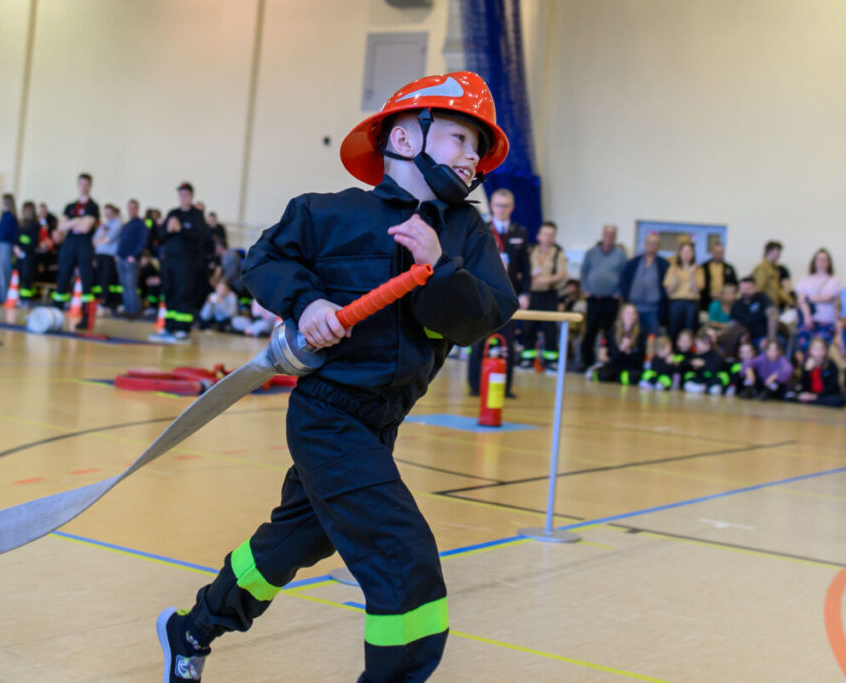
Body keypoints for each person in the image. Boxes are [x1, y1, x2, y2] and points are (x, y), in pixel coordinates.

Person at [156, 71, 517, 683]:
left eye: (477, 148)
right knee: (403, 559)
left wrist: (439, 266)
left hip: (382, 423)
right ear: (404, 138)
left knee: (295, 541)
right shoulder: (327, 214)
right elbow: (263, 259)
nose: (471, 157)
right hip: (327, 415)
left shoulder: (464, 233)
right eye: (460, 138)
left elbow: (486, 314)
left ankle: (192, 630)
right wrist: (307, 304)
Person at [467, 188, 529, 397]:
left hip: (508, 295)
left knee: (507, 344)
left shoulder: (520, 233)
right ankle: (475, 385)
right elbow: (471, 260)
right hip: (483, 293)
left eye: (505, 206)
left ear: (512, 207)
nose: (501, 209)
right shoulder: (481, 228)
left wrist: (526, 293)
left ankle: (505, 387)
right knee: (479, 341)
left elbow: (526, 267)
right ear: (492, 206)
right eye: (498, 205)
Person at [150, 183, 209, 343]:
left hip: (186, 262)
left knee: (183, 292)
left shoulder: (196, 215)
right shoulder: (173, 213)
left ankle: (183, 329)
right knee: (169, 291)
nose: (183, 198)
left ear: (191, 196)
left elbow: (199, 237)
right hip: (169, 260)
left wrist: (180, 228)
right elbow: (161, 236)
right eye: (181, 194)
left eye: (186, 195)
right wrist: (168, 229)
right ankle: (169, 327)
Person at [52, 173, 100, 328]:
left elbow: (85, 228)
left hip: (84, 246)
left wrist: (72, 223)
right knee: (62, 278)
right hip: (69, 244)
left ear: (90, 186)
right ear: (78, 185)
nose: (83, 187)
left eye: (86, 184)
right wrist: (78, 220)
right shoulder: (70, 206)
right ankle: (55, 315)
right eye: (81, 183)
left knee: (86, 281)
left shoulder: (93, 206)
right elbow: (61, 226)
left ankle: (86, 318)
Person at [579, 224, 627, 368]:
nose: (609, 237)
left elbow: (624, 275)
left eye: (612, 234)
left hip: (611, 300)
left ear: (615, 237)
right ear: (602, 235)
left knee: (610, 332)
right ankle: (586, 361)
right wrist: (585, 289)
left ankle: (608, 361)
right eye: (607, 233)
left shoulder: (620, 255)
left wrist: (619, 292)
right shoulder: (591, 253)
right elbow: (583, 272)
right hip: (593, 299)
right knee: (590, 330)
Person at [521, 221, 567, 369]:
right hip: (531, 295)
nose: (548, 237)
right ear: (539, 236)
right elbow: (522, 270)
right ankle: (528, 358)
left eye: (551, 235)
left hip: (549, 294)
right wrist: (530, 280)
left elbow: (562, 274)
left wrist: (545, 280)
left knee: (550, 328)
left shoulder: (558, 253)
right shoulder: (530, 251)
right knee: (528, 327)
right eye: (545, 234)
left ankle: (551, 360)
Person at [620, 232, 668, 341]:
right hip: (633, 308)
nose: (651, 246)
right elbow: (624, 281)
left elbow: (667, 286)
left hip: (653, 310)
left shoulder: (664, 265)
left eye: (654, 243)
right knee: (632, 337)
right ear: (644, 244)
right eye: (649, 243)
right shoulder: (633, 263)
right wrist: (626, 298)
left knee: (653, 338)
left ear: (658, 246)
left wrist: (662, 298)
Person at [795, 248, 842, 353]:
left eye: (824, 260)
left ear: (828, 262)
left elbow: (830, 297)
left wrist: (808, 298)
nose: (821, 262)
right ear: (814, 262)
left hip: (826, 320)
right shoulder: (805, 279)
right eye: (819, 259)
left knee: (823, 351)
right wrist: (807, 315)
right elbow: (801, 298)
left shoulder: (834, 280)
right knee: (807, 350)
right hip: (808, 321)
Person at [591, 302, 644, 385]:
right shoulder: (612, 332)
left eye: (633, 313)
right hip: (615, 365)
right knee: (603, 375)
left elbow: (640, 359)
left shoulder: (641, 334)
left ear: (636, 316)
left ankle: (619, 378)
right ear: (622, 315)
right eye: (627, 313)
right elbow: (608, 357)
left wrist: (629, 350)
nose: (630, 316)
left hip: (631, 367)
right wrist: (622, 348)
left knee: (633, 377)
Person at [663, 241, 704, 341]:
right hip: (675, 303)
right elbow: (669, 292)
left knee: (690, 331)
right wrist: (676, 277)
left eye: (689, 252)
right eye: (684, 252)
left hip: (691, 304)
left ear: (693, 254)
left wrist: (691, 274)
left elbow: (696, 291)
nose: (686, 254)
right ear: (680, 253)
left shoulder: (698, 269)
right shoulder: (672, 268)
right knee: (673, 330)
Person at [787, 336, 844, 407]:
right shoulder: (806, 364)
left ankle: (812, 402)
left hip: (824, 396)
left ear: (826, 351)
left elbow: (833, 387)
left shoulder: (831, 365)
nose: (819, 352)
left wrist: (816, 396)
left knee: (837, 400)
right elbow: (803, 386)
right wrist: (807, 371)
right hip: (810, 394)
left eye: (822, 348)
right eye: (816, 349)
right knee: (789, 396)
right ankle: (812, 402)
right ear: (810, 351)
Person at [116, 199, 148, 318]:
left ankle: (134, 310)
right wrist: (117, 254)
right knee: (124, 285)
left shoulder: (140, 224)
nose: (131, 210)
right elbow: (121, 240)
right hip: (121, 258)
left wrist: (134, 255)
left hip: (131, 260)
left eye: (134, 207)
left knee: (131, 285)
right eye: (130, 208)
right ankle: (128, 308)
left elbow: (142, 241)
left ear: (137, 209)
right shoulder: (127, 224)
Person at [730, 277, 778, 348]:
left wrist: (770, 339)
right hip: (747, 338)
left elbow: (773, 316)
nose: (745, 291)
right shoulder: (736, 304)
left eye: (748, 288)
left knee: (771, 348)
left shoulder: (762, 298)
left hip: (764, 336)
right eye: (742, 288)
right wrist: (741, 334)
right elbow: (733, 323)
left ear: (755, 288)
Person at [0, 194, 19, 303]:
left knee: (3, 271)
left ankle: (4, 296)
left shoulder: (11, 217)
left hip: (6, 245)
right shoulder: (3, 216)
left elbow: (13, 234)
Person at [93, 203, 124, 312]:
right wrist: (102, 237)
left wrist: (101, 239)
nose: (108, 215)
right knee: (99, 280)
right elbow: (94, 241)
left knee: (107, 279)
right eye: (106, 213)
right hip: (99, 255)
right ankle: (100, 301)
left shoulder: (117, 223)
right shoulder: (104, 225)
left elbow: (109, 238)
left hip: (109, 256)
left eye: (110, 212)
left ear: (114, 212)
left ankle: (106, 303)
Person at [682, 330, 730, 395]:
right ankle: (702, 388)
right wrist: (692, 364)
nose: (697, 346)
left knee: (715, 389)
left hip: (712, 379)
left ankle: (706, 388)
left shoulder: (714, 355)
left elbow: (716, 368)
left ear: (707, 344)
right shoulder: (695, 354)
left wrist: (704, 364)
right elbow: (685, 363)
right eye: (696, 344)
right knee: (687, 385)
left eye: (699, 343)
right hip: (699, 379)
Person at [700, 242, 738, 312]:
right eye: (716, 252)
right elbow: (700, 284)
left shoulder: (729, 268)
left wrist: (724, 294)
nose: (718, 255)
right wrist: (710, 293)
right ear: (712, 253)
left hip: (725, 301)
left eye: (720, 253)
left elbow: (734, 284)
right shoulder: (704, 267)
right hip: (706, 300)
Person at [752, 241, 791, 309]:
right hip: (765, 305)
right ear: (768, 251)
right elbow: (759, 288)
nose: (778, 254)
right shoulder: (763, 267)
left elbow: (777, 289)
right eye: (776, 251)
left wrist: (790, 300)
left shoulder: (774, 268)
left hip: (774, 304)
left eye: (779, 252)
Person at [14, 201, 40, 302]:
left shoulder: (35, 225)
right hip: (19, 254)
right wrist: (16, 248)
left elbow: (33, 242)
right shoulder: (21, 224)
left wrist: (23, 249)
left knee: (27, 276)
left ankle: (25, 298)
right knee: (18, 274)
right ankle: (17, 296)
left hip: (29, 255)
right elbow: (16, 238)